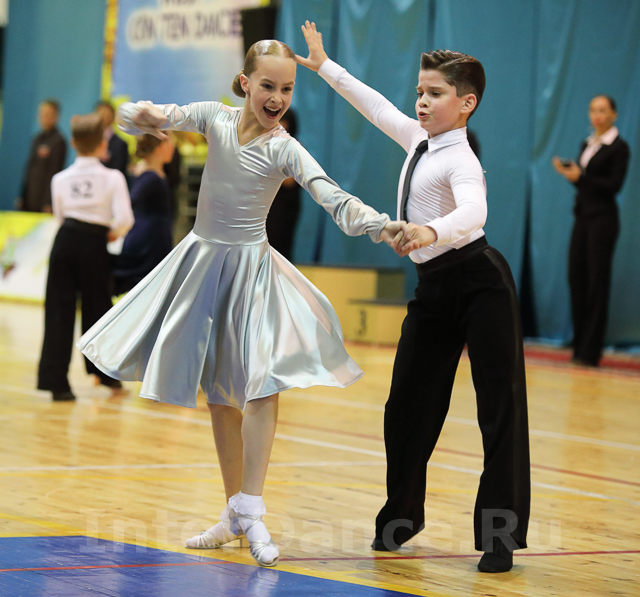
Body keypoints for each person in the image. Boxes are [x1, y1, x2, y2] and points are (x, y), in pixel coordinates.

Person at [76, 39, 402, 567]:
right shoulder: (216, 118)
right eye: (268, 86)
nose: (277, 98)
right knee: (220, 394)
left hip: (253, 272)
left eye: (287, 88)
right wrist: (144, 115)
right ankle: (234, 512)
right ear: (246, 83)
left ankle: (251, 505)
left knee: (262, 384)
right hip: (204, 264)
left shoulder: (284, 148)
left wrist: (382, 226)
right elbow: (155, 116)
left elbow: (330, 194)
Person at [297, 22, 530, 573]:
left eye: (436, 93)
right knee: (405, 407)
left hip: (481, 283)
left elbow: (475, 211)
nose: (422, 101)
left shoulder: (461, 158)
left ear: (466, 103)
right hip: (434, 290)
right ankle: (401, 518)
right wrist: (325, 65)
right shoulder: (417, 139)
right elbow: (374, 105)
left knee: (499, 411)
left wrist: (431, 230)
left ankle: (499, 537)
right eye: (420, 91)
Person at [37, 113, 134, 401]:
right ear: (103, 143)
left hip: (65, 242)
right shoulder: (113, 177)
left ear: (72, 143)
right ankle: (104, 375)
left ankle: (57, 384)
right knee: (98, 310)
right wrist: (111, 234)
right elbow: (125, 219)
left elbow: (60, 217)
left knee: (58, 311)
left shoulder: (59, 179)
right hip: (95, 244)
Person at [552, 95, 630, 367]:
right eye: (593, 110)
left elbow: (614, 186)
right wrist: (572, 176)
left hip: (603, 220)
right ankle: (579, 344)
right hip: (583, 217)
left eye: (603, 110)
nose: (597, 115)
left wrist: (582, 177)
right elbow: (586, 185)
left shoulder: (619, 147)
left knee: (597, 282)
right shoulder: (587, 143)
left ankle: (591, 351)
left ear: (614, 115)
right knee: (577, 278)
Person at [112, 134, 175, 295]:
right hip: (148, 240)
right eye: (170, 144)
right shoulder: (149, 176)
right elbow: (131, 201)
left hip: (153, 236)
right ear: (160, 147)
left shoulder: (149, 171)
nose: (173, 149)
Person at [17, 99, 67, 212]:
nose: (44, 117)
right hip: (30, 198)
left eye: (48, 114)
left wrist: (49, 202)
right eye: (42, 113)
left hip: (43, 201)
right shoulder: (36, 139)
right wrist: (22, 196)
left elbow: (55, 172)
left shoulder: (59, 141)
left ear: (56, 116)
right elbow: (29, 168)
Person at [265, 108, 301, 259]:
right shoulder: (265, 144)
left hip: (284, 208)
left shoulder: (295, 148)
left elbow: (289, 181)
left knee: (280, 248)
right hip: (265, 205)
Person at [95, 100, 130, 178]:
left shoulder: (121, 144)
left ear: (113, 117)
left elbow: (119, 170)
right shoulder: (90, 142)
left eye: (106, 115)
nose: (103, 118)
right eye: (101, 115)